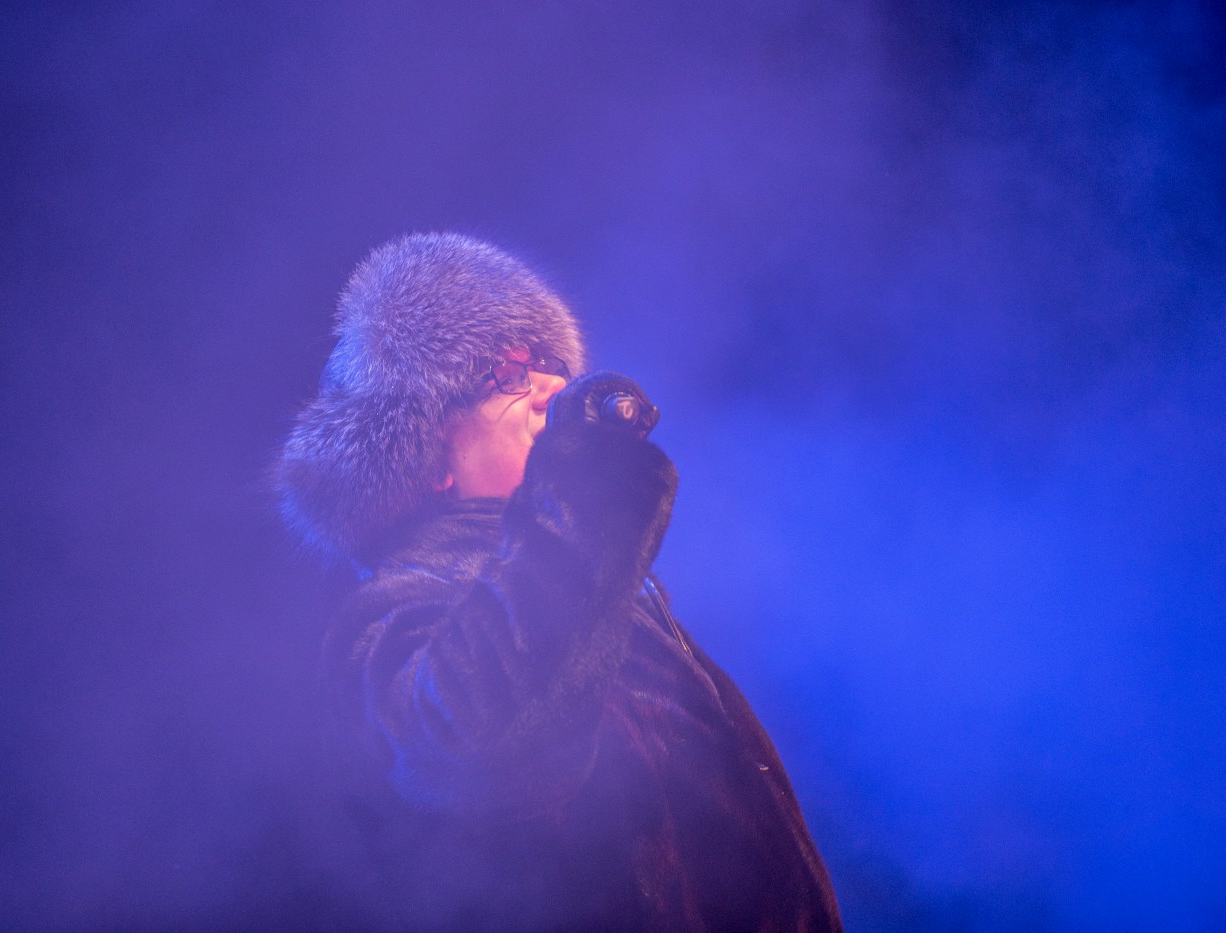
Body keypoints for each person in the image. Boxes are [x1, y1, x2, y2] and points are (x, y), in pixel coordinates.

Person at [277, 232, 842, 931]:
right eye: (504, 373)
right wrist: (575, 509)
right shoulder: (393, 610)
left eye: (548, 363)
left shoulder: (612, 600)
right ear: (430, 457)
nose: (551, 386)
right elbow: (475, 748)